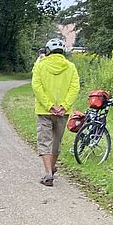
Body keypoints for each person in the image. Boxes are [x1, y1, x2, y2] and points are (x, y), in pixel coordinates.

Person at [32, 37, 79, 187]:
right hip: (62, 112)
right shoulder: (71, 67)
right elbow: (74, 88)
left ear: (48, 51)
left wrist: (49, 105)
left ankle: (48, 173)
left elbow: (36, 86)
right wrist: (64, 106)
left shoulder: (40, 65)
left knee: (45, 141)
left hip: (44, 110)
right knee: (56, 141)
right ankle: (51, 169)